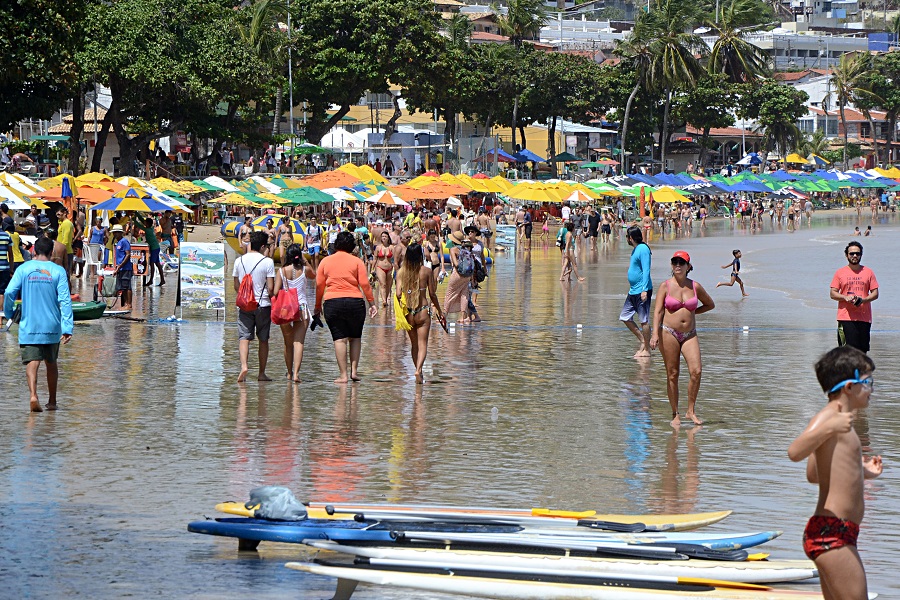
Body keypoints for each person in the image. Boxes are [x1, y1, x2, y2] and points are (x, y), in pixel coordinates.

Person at [787, 346, 882, 600]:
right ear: (849, 387)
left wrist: (862, 471)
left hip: (837, 531)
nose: (872, 389)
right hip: (832, 532)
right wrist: (828, 429)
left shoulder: (843, 422)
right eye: (867, 381)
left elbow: (814, 474)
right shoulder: (829, 418)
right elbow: (795, 452)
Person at [3, 237, 73, 412]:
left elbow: (9, 292)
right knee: (51, 362)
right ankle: (52, 401)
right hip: (52, 326)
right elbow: (65, 300)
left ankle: (33, 395)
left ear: (34, 251)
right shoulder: (58, 271)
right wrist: (67, 327)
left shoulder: (23, 269)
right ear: (51, 253)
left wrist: (9, 313)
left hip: (29, 325)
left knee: (32, 361)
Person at [649, 251, 715, 428]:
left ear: (688, 266)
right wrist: (654, 334)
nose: (677, 265)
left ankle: (690, 411)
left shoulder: (695, 286)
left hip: (689, 334)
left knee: (697, 371)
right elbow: (658, 312)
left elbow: (710, 304)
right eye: (674, 262)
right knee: (673, 373)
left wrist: (694, 313)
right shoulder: (665, 286)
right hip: (669, 332)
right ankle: (675, 413)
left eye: (681, 262)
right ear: (671, 265)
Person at [314, 231, 377, 384]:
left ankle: (343, 375)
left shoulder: (325, 262)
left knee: (340, 339)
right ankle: (354, 372)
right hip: (355, 302)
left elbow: (319, 286)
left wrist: (317, 306)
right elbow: (365, 284)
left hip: (332, 302)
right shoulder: (356, 262)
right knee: (355, 337)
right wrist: (372, 303)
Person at [395, 242, 445, 384]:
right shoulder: (426, 271)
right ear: (420, 256)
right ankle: (418, 370)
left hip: (408, 312)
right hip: (423, 311)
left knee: (414, 345)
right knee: (423, 344)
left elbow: (398, 294)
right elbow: (432, 294)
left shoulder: (401, 273)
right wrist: (440, 311)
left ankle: (419, 371)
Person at [233, 231, 276, 383]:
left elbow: (236, 286)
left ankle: (244, 366)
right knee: (263, 339)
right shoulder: (267, 262)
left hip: (244, 305)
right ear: (263, 246)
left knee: (244, 337)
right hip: (263, 305)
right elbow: (270, 288)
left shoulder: (239, 261)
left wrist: (245, 297)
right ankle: (261, 373)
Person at [273, 244, 314, 382]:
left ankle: (289, 373)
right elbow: (314, 275)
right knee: (299, 342)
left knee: (287, 342)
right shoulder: (305, 269)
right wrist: (305, 260)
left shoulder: (282, 271)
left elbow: (275, 291)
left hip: (285, 309)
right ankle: (296, 374)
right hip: (302, 307)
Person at [830, 241, 878, 354]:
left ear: (861, 254)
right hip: (846, 318)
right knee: (847, 353)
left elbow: (875, 293)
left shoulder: (868, 272)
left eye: (857, 253)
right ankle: (847, 372)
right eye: (852, 254)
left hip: (864, 318)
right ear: (846, 255)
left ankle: (860, 372)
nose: (855, 256)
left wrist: (864, 300)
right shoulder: (840, 272)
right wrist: (845, 297)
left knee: (862, 353)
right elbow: (833, 293)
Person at [620, 225, 653, 359]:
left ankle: (647, 350)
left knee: (643, 321)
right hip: (633, 291)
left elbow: (646, 270)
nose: (627, 239)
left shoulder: (643, 249)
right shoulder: (635, 249)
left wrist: (644, 290)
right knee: (625, 317)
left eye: (627, 237)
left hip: (641, 291)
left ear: (631, 238)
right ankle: (643, 340)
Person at [443, 230, 474, 324]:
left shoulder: (453, 249)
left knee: (450, 293)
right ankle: (462, 317)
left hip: (457, 274)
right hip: (467, 275)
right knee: (464, 294)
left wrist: (459, 267)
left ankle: (444, 315)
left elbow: (455, 263)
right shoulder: (466, 249)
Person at [134, 216, 165, 287]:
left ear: (147, 224)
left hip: (154, 248)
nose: (144, 223)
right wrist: (136, 213)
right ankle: (162, 279)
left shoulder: (147, 230)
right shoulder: (150, 228)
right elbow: (142, 220)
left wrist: (133, 218)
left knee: (152, 263)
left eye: (145, 222)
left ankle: (151, 280)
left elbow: (139, 225)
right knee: (158, 264)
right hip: (156, 247)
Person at [111, 225, 133, 310]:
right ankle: (125, 304)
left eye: (116, 232)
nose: (115, 234)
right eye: (114, 233)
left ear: (120, 233)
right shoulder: (118, 242)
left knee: (127, 286)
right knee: (123, 287)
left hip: (126, 268)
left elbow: (128, 254)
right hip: (120, 268)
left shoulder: (124, 241)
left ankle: (129, 304)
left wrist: (120, 265)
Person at [56, 207, 75, 278]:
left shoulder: (66, 224)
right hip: (64, 251)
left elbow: (66, 240)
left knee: (65, 274)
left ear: (64, 213)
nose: (57, 216)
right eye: (56, 214)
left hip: (65, 251)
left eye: (59, 214)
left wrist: (60, 251)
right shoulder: (63, 223)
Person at [0, 223, 11, 328]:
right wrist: (11, 267)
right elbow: (10, 253)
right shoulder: (6, 235)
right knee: (1, 292)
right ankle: (0, 319)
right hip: (4, 267)